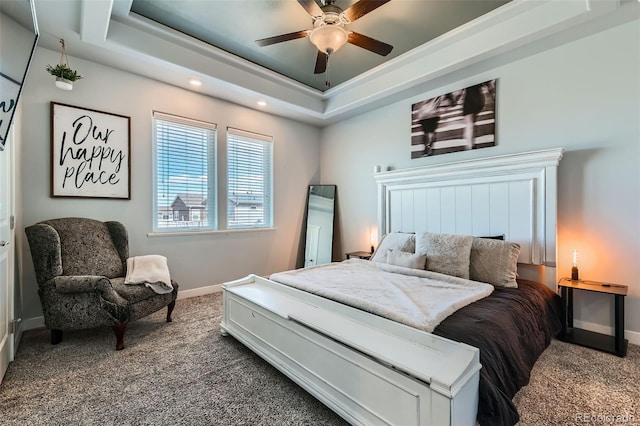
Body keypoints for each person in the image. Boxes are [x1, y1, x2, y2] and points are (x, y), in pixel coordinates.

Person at [416, 91, 460, 156]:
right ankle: (430, 147)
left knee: (425, 132)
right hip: (433, 113)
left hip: (422, 113)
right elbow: (448, 95)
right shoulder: (438, 89)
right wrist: (453, 102)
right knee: (432, 132)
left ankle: (426, 148)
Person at [462, 80, 495, 150]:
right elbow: (490, 86)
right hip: (479, 99)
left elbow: (458, 92)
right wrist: (493, 97)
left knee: (469, 124)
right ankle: (471, 143)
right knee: (472, 123)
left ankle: (470, 145)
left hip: (469, 99)